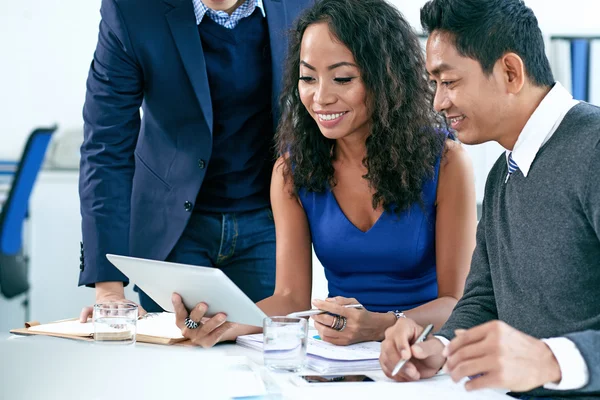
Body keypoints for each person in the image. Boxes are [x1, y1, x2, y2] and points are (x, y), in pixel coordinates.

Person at [170, 0, 477, 348]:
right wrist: (223, 323)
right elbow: (289, 299)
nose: (320, 97)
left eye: (342, 78)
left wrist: (384, 325)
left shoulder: (448, 162)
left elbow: (458, 304)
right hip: (338, 358)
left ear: (386, 77)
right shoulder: (291, 171)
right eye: (307, 78)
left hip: (425, 350)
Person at [379, 0, 600, 398]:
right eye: (434, 85)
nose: (438, 103)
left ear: (510, 72)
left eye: (449, 82)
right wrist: (441, 347)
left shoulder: (595, 148)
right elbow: (483, 297)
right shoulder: (504, 172)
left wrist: (549, 360)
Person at [77, 0, 313, 319]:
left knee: (263, 355)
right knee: (173, 359)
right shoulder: (133, 10)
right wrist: (108, 285)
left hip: (268, 224)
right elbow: (106, 146)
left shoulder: (304, 5)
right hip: (173, 227)